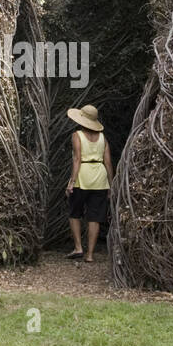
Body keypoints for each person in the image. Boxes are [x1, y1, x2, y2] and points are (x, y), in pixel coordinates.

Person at [65, 104, 113, 264]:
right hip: (100, 178)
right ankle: (90, 255)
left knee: (74, 212)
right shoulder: (103, 137)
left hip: (82, 177)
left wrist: (71, 182)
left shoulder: (77, 135)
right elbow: (108, 162)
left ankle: (78, 247)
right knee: (95, 217)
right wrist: (111, 185)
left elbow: (77, 159)